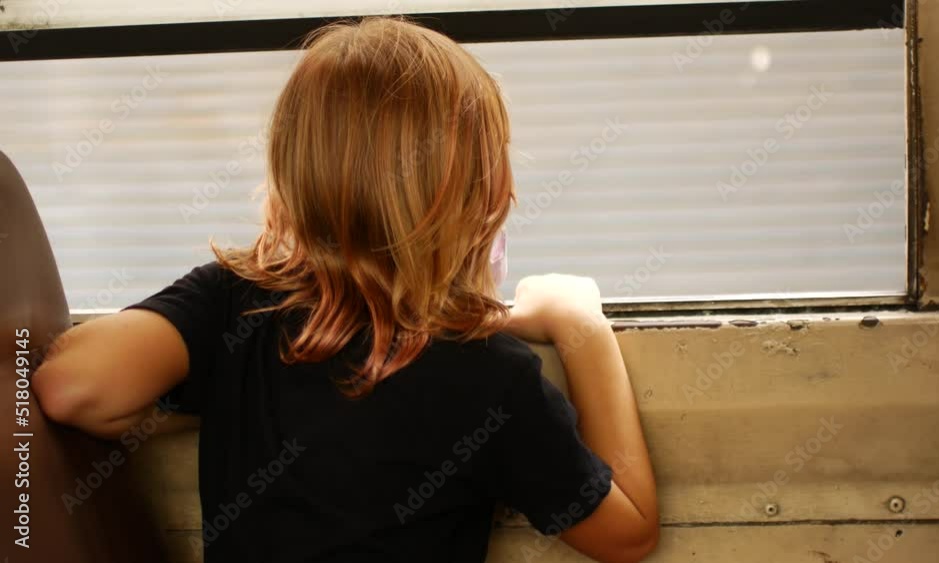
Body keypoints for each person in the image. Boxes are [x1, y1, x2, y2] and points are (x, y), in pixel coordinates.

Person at [32, 17, 658, 563]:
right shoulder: (493, 376)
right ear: (480, 192)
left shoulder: (236, 302)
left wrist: (219, 395)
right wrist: (581, 325)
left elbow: (72, 388)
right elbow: (627, 535)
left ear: (292, 171)